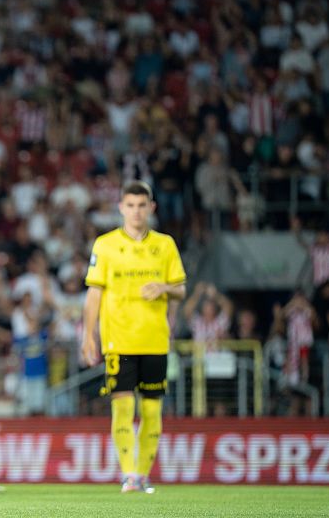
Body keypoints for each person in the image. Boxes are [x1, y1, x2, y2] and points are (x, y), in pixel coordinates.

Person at [81, 181, 187, 494]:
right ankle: (128, 474)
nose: (136, 211)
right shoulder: (105, 245)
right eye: (130, 205)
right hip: (119, 340)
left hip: (155, 340)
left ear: (151, 208)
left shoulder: (165, 245)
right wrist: (89, 336)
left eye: (142, 205)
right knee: (123, 408)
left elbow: (181, 288)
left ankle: (142, 475)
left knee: (152, 411)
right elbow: (93, 294)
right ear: (121, 207)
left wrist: (165, 288)